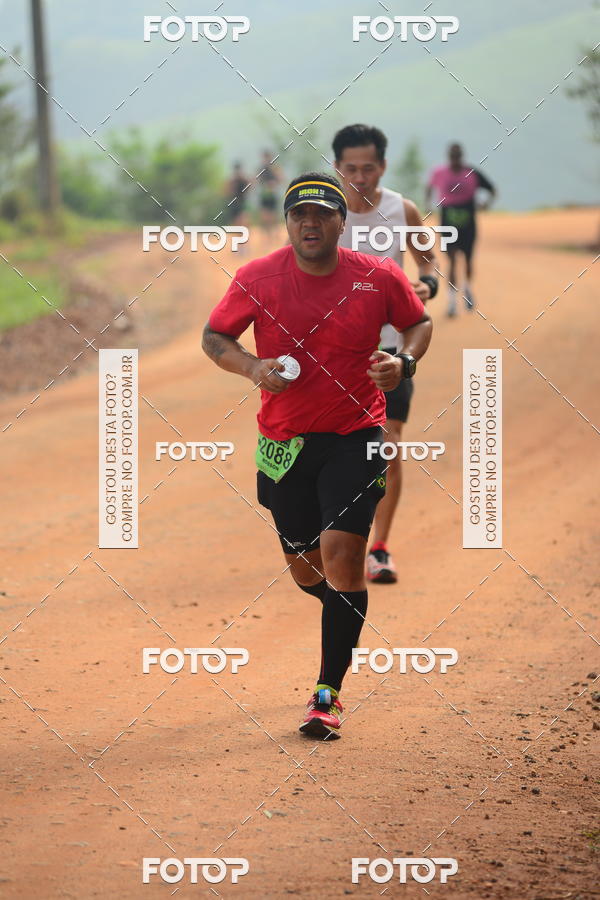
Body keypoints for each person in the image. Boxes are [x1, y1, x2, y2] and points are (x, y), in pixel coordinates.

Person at [202, 172, 432, 740]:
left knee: (344, 558)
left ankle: (326, 694)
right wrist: (252, 368)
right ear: (287, 222)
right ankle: (339, 609)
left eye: (323, 214)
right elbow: (215, 337)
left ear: (340, 222)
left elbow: (418, 323)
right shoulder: (257, 277)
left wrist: (402, 364)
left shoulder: (378, 275)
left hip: (357, 435)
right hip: (285, 443)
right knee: (308, 570)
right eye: (299, 215)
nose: (310, 223)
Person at [334, 123, 438, 585]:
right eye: (351, 168)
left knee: (388, 446)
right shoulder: (321, 214)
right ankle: (334, 538)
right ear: (337, 168)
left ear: (384, 166)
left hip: (390, 352)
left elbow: (428, 260)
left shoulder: (402, 209)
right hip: (333, 356)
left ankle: (378, 548)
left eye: (369, 168)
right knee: (332, 449)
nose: (360, 177)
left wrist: (427, 284)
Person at [426, 143, 496, 316]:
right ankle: (451, 301)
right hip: (448, 220)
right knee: (451, 260)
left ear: (462, 156)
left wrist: (486, 204)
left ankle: (467, 289)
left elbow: (492, 190)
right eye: (452, 156)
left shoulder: (472, 173)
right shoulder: (439, 172)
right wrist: (428, 205)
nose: (455, 160)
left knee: (468, 261)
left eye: (458, 156)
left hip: (468, 222)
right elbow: (428, 187)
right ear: (449, 156)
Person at [256, 150, 283, 235]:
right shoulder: (261, 169)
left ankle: (276, 232)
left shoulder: (275, 168)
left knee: (274, 215)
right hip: (264, 195)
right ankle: (266, 233)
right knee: (264, 215)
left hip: (273, 194)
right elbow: (256, 180)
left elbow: (281, 179)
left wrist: (273, 184)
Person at [225, 161, 251, 227]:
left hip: (242, 201)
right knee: (235, 221)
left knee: (243, 219)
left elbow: (249, 187)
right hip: (234, 202)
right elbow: (227, 191)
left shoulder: (243, 179)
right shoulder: (232, 180)